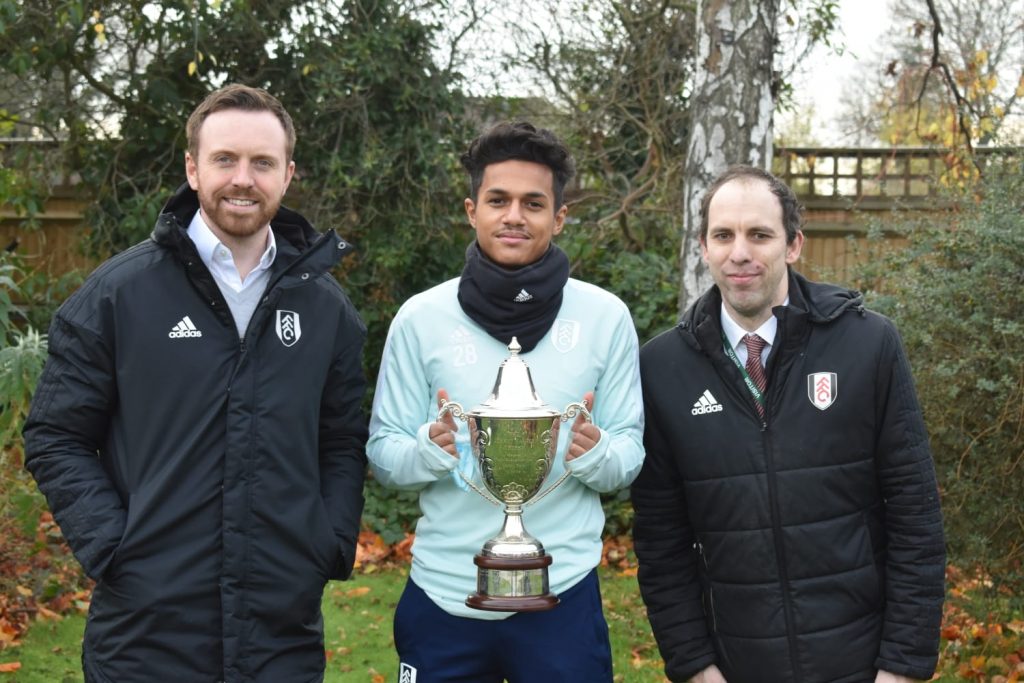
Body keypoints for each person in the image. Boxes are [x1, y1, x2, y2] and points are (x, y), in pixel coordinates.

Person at [23, 84, 368, 682]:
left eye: (262, 162)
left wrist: (328, 540)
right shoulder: (118, 295)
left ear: (288, 174)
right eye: (224, 159)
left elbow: (341, 439)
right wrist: (114, 547)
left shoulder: (325, 308)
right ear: (192, 168)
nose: (243, 178)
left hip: (280, 630)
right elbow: (56, 435)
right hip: (146, 634)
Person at [631, 165, 945, 683]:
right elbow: (661, 543)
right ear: (703, 248)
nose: (740, 253)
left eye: (759, 234)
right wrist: (694, 667)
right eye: (723, 236)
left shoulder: (868, 345)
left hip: (862, 663)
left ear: (793, 244)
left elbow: (916, 517)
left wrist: (903, 667)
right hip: (735, 666)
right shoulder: (663, 368)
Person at [366, 121, 645, 682]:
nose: (514, 215)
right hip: (446, 595)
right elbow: (382, 452)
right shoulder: (420, 319)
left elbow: (628, 455)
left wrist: (594, 453)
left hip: (561, 595)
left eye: (533, 203)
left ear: (559, 217)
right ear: (472, 210)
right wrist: (427, 448)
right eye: (498, 200)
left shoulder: (604, 317)